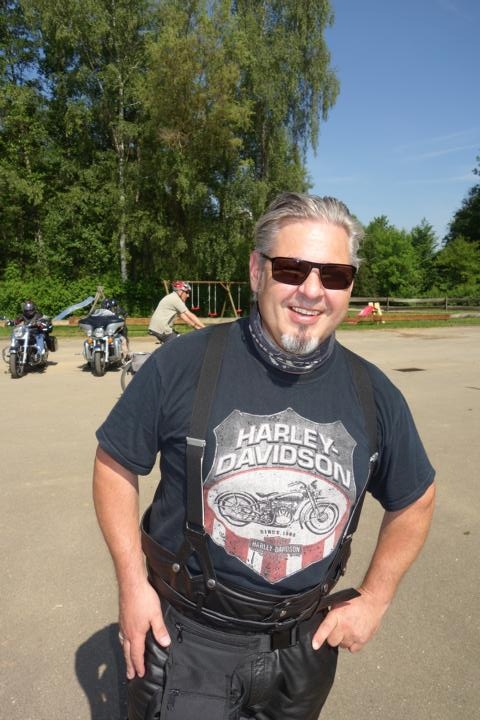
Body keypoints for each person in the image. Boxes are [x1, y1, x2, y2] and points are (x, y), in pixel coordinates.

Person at [93, 192, 435, 720]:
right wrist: (131, 584)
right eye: (292, 269)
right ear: (257, 271)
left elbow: (415, 498)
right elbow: (114, 462)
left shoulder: (375, 394)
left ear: (349, 287)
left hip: (303, 651)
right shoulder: (180, 365)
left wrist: (375, 599)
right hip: (189, 641)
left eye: (334, 275)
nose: (312, 291)